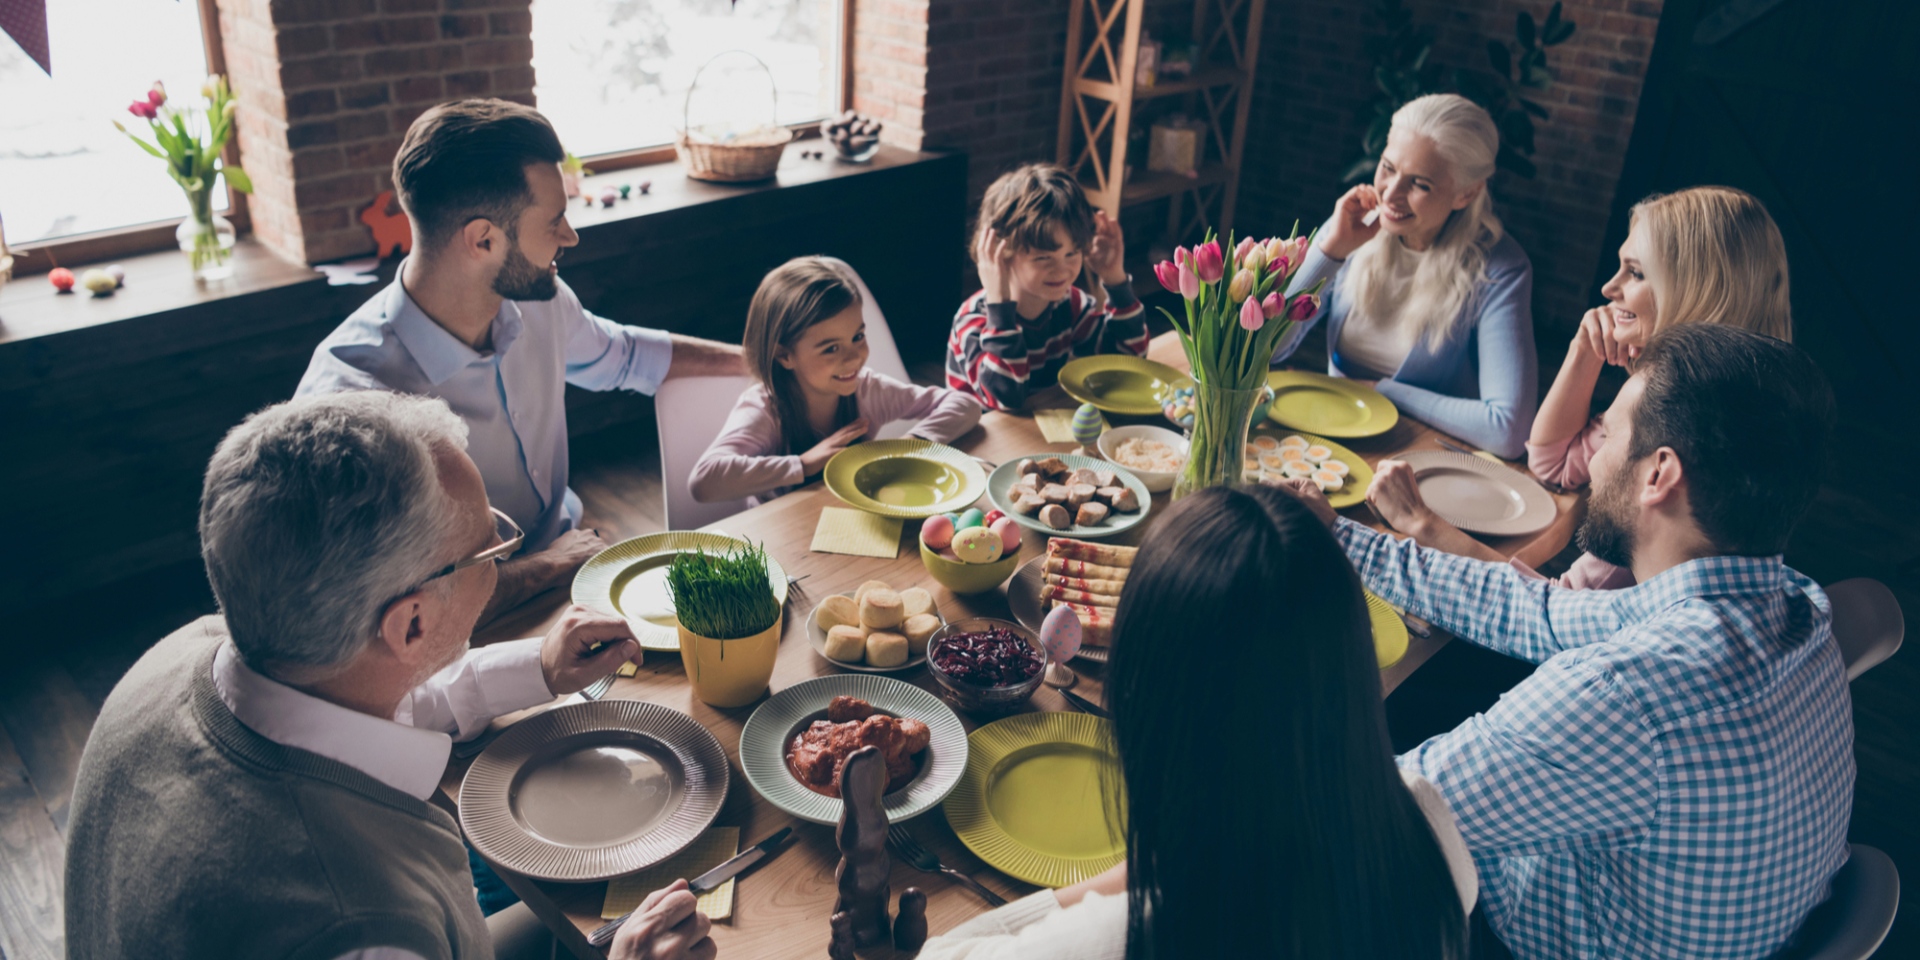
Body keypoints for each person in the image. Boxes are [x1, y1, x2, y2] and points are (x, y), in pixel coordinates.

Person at [64, 392, 715, 960]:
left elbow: (360, 705)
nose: (501, 558)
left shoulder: (194, 651)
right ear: (408, 625)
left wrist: (539, 667)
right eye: (491, 548)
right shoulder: (362, 928)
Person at [1279, 324, 1851, 960]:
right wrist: (1340, 538)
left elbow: (1363, 815)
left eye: (1609, 432)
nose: (1596, 457)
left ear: (1659, 472)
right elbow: (1546, 613)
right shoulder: (1797, 605)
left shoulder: (1624, 695)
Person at [917, 485, 1475, 960]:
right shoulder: (1426, 820)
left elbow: (940, 953)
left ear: (1147, 693)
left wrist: (1122, 883)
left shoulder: (1128, 933)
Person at [296, 98, 745, 620]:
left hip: (573, 569)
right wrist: (546, 566)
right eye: (554, 222)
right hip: (457, 638)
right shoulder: (349, 396)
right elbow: (393, 612)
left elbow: (622, 355)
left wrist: (759, 362)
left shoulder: (542, 299)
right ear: (483, 240)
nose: (570, 237)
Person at [1366, 186, 1793, 591]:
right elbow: (1555, 464)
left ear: (1696, 291)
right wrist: (1583, 352)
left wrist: (1419, 522)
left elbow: (1558, 612)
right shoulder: (1727, 402)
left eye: (1636, 273)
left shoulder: (1678, 434)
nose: (1609, 289)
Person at [1269, 94, 1535, 458]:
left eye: (1420, 184)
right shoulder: (1352, 226)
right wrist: (1330, 252)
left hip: (1424, 461)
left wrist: (1384, 391)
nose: (1390, 195)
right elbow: (1266, 348)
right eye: (1388, 168)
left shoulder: (1501, 269)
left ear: (1466, 192)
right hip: (1330, 444)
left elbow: (1508, 429)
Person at [690, 257, 981, 505]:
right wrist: (804, 464)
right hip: (779, 542)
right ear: (784, 355)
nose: (854, 358)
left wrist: (910, 445)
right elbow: (703, 481)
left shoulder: (868, 391)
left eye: (858, 337)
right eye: (831, 348)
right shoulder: (765, 410)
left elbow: (965, 405)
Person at [945, 164, 1147, 412]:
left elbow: (1128, 361)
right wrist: (1000, 308)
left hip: (1035, 436)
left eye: (1072, 253)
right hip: (979, 443)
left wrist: (1115, 279)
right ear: (1001, 253)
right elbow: (1006, 401)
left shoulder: (1069, 303)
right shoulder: (973, 321)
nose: (1062, 270)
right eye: (1043, 258)